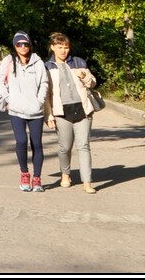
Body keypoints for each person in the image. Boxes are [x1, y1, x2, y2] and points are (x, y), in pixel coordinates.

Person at [0, 30, 51, 191]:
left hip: (36, 111)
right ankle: (24, 174)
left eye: (25, 44)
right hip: (16, 110)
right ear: (15, 46)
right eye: (19, 44)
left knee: (37, 144)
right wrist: (9, 98)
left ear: (29, 45)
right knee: (21, 141)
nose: (23, 47)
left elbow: (44, 83)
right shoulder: (9, 61)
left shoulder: (38, 62)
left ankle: (37, 178)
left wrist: (39, 101)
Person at [44, 32, 100, 194]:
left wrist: (84, 76)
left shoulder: (78, 62)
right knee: (65, 147)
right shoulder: (47, 67)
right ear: (53, 47)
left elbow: (93, 83)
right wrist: (48, 114)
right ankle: (65, 174)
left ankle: (87, 182)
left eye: (66, 47)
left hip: (83, 110)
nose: (63, 51)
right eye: (60, 47)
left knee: (83, 146)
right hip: (62, 112)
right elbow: (46, 94)